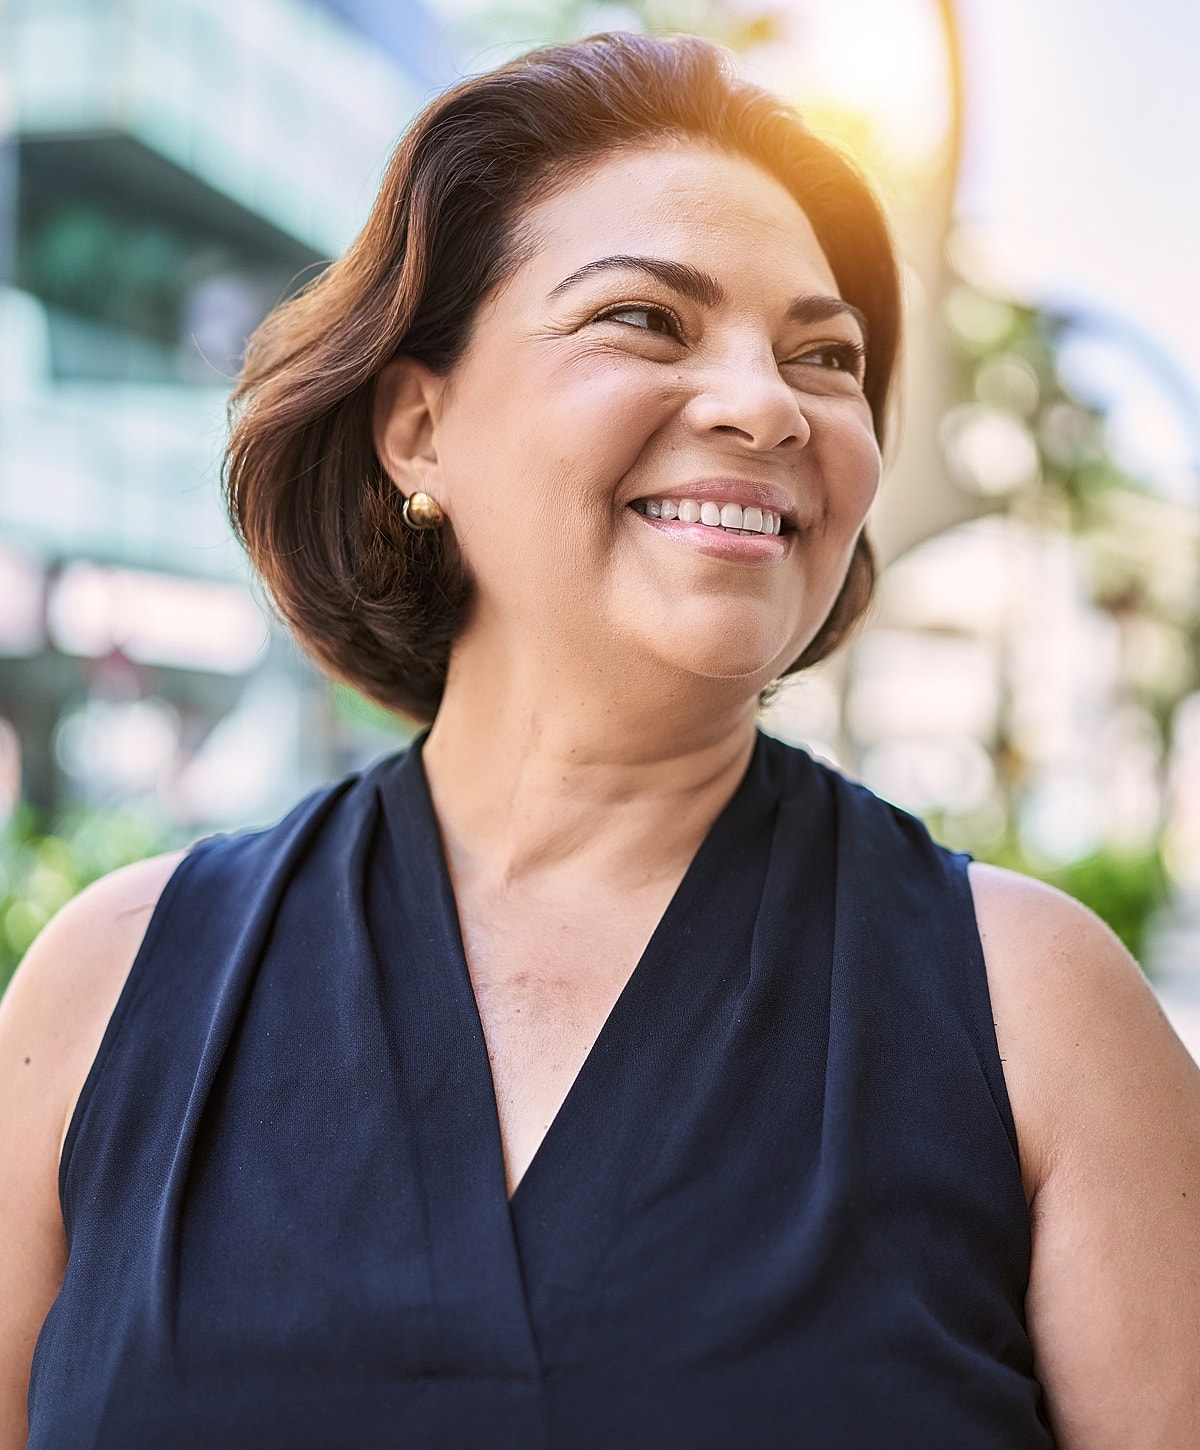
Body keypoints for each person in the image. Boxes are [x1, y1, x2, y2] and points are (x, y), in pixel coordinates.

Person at [1, 31, 1198, 1450]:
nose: (770, 402)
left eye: (826, 355)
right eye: (645, 318)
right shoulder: (109, 985)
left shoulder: (1045, 1014)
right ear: (417, 428)